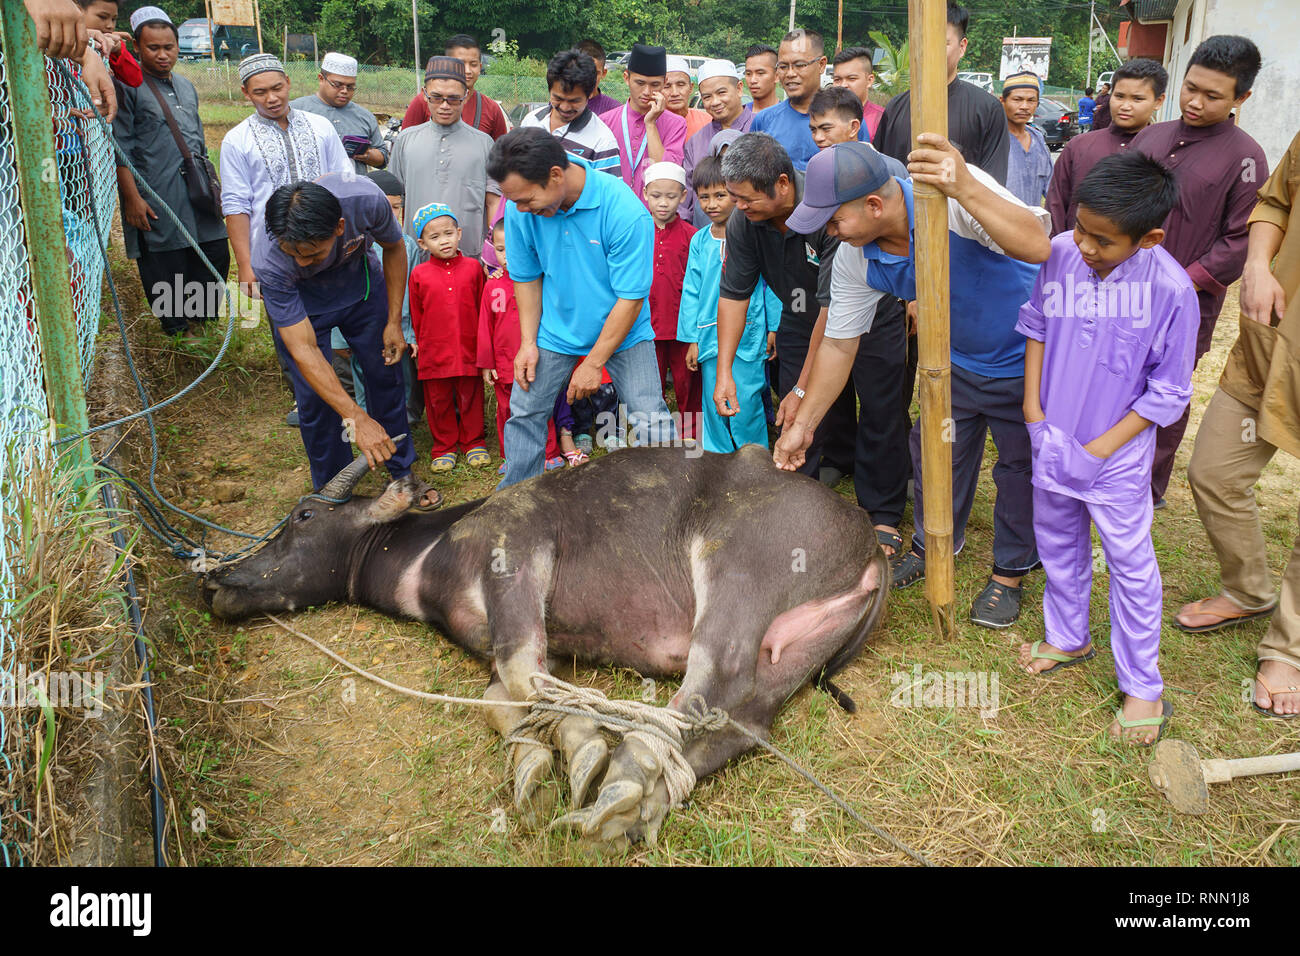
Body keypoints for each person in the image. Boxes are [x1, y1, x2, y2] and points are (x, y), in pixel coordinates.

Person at [772, 137, 1051, 626]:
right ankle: (931, 544)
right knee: (937, 452)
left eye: (834, 220)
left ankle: (1010, 571)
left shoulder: (950, 198)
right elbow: (840, 343)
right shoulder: (856, 256)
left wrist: (963, 186)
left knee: (1018, 468)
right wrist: (805, 425)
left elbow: (1036, 244)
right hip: (953, 363)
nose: (829, 233)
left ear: (875, 205)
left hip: (1023, 362)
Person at [1017, 152, 1196, 743]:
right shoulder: (1063, 254)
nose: (1086, 247)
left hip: (1114, 458)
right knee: (1057, 540)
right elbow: (1039, 323)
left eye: (1104, 241)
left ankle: (1143, 683)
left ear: (1148, 239)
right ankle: (1069, 635)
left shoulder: (1172, 290)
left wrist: (1099, 451)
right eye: (1081, 229)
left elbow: (1167, 392)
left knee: (1129, 562)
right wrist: (1034, 411)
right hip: (1052, 435)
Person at [716, 132, 908, 546]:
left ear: (783, 184)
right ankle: (799, 499)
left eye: (746, 198)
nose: (738, 206)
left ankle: (882, 512)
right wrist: (724, 371)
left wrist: (804, 386)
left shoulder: (831, 210)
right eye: (734, 197)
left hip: (868, 315)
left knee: (880, 409)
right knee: (798, 413)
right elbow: (734, 294)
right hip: (799, 318)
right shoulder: (745, 221)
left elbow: (831, 311)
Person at [1173, 126, 1300, 718]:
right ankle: (1248, 590)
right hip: (1271, 339)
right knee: (1214, 471)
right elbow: (1276, 199)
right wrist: (1255, 263)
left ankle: (1289, 648)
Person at [488, 128, 676, 486]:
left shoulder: (624, 211)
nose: (520, 210)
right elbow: (527, 278)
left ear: (556, 175)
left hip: (624, 331)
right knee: (525, 412)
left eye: (527, 200)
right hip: (556, 329)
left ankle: (670, 494)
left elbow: (631, 297)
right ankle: (515, 498)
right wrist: (528, 342)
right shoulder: (520, 209)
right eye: (514, 202)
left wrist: (593, 363)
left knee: (649, 415)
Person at [1132, 35, 1269, 508]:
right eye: (1191, 88)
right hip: (1121, 292)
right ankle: (1107, 471)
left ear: (1240, 98)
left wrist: (1175, 284)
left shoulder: (1246, 158)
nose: (1196, 101)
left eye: (1213, 96)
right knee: (1115, 380)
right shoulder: (1150, 137)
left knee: (1164, 394)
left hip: (1185, 305)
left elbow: (1239, 241)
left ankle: (1147, 489)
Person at [252, 176, 433, 506]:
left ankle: (402, 474)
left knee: (385, 375)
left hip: (363, 292)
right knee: (316, 400)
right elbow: (303, 348)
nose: (301, 263)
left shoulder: (366, 200)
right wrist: (357, 419)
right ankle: (335, 493)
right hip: (305, 309)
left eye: (311, 255)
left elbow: (393, 248)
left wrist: (394, 321)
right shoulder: (270, 261)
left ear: (339, 227)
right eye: (292, 254)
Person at [112, 6, 227, 339]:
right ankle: (177, 332)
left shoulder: (187, 86)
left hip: (198, 191)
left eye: (169, 47)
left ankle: (203, 325)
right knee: (166, 261)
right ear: (137, 46)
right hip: (157, 192)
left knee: (214, 253)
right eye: (153, 48)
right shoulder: (127, 86)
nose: (163, 55)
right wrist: (132, 198)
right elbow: (121, 147)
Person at [220, 53, 351, 301]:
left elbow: (344, 183)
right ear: (245, 93)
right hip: (272, 251)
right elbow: (235, 205)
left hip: (324, 246)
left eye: (277, 88)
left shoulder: (321, 127)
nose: (272, 98)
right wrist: (245, 266)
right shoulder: (237, 141)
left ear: (288, 82)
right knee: (287, 326)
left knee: (335, 321)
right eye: (260, 92)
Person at [679, 155, 781, 452]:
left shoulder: (755, 235)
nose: (712, 205)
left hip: (750, 333)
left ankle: (753, 456)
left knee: (748, 397)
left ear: (735, 194)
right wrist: (691, 339)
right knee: (713, 397)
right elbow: (691, 290)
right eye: (704, 197)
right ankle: (717, 456)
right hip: (709, 334)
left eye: (720, 195)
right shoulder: (700, 241)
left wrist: (773, 326)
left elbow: (773, 283)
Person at [872, 3, 1010, 186]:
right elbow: (881, 175)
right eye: (922, 41)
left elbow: (993, 188)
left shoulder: (987, 110)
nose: (929, 50)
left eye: (941, 43)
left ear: (962, 47)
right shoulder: (895, 108)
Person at [478, 221, 575, 473]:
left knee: (541, 406)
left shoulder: (539, 281)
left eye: (512, 250)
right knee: (506, 410)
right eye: (500, 250)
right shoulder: (492, 285)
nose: (507, 257)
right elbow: (484, 326)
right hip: (504, 363)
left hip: (537, 361)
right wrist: (487, 364)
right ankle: (511, 456)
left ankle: (549, 451)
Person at [407, 202, 489, 473]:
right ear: (422, 243)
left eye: (448, 233)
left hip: (468, 347)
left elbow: (482, 307)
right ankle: (444, 446)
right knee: (438, 400)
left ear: (459, 233)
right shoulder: (419, 274)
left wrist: (484, 346)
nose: (444, 241)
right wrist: (419, 343)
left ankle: (473, 441)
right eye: (435, 237)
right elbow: (417, 314)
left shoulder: (474, 268)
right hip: (435, 351)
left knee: (470, 395)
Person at [389, 56, 494, 260]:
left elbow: (493, 202)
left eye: (453, 99)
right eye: (436, 98)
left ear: (466, 95)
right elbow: (392, 201)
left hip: (469, 259)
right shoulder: (405, 141)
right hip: (418, 257)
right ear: (424, 95)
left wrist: (490, 254)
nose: (445, 106)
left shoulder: (484, 144)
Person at [1047, 58, 1167, 235]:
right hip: (1076, 255)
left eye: (1137, 99)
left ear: (1158, 101)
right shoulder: (1079, 147)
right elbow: (1056, 206)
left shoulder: (1165, 151)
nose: (1125, 106)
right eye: (1119, 96)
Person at [753, 28, 872, 172]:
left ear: (821, 64)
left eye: (800, 65)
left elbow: (863, 174)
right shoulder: (764, 120)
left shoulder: (848, 118)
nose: (790, 73)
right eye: (783, 66)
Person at [643, 161, 699, 440]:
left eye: (671, 196)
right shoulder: (637, 232)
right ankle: (657, 435)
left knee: (686, 382)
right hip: (646, 325)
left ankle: (691, 434)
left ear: (684, 196)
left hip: (683, 325)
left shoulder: (692, 236)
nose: (663, 203)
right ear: (645, 194)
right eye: (656, 196)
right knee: (650, 385)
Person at [599, 43, 687, 202]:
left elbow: (664, 175)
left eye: (655, 85)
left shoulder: (676, 124)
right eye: (640, 83)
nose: (647, 92)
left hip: (655, 218)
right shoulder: (605, 122)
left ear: (664, 81)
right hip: (613, 214)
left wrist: (651, 124)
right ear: (626, 78)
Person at [520, 49, 620, 173]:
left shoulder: (602, 141)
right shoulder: (531, 121)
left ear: (589, 95)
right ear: (549, 90)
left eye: (574, 101)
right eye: (558, 98)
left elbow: (608, 191)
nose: (565, 107)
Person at [290, 52, 388, 175]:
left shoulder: (365, 116)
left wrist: (365, 154)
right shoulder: (295, 110)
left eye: (350, 87)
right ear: (321, 79)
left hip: (352, 190)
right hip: (310, 191)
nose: (344, 91)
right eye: (337, 85)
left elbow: (383, 158)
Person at [682, 59, 753, 225]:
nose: (715, 102)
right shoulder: (696, 142)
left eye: (721, 93)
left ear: (739, 88)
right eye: (707, 97)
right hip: (705, 239)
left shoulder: (760, 128)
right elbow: (686, 197)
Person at [401, 33, 508, 139]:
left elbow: (502, 153)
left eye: (473, 64)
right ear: (446, 63)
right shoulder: (424, 101)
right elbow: (405, 144)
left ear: (480, 67)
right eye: (460, 64)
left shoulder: (492, 109)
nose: (467, 71)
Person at [1001, 72, 1053, 208]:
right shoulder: (994, 138)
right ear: (1003, 101)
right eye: (1017, 99)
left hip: (1032, 225)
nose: (1024, 106)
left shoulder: (1038, 139)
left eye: (1031, 100)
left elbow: (1051, 188)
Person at [78, 0, 140, 87]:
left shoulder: (108, 45)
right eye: (102, 17)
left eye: (113, 19)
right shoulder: (63, 40)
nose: (110, 25)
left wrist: (118, 50)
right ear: (78, 11)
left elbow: (135, 80)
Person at [831, 46, 884, 141]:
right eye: (837, 80)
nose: (843, 85)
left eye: (851, 78)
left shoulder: (882, 119)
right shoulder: (824, 116)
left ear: (869, 80)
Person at [664, 56, 711, 141]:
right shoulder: (651, 124)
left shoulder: (708, 122)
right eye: (667, 86)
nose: (675, 93)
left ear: (691, 88)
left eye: (681, 85)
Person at [808, 85, 864, 150]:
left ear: (853, 127)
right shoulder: (818, 159)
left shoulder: (872, 159)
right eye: (813, 130)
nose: (817, 138)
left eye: (826, 129)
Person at [577, 39, 622, 115]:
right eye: (583, 71)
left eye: (595, 73)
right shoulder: (560, 105)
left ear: (603, 73)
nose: (589, 78)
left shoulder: (614, 110)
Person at [744, 44, 780, 113]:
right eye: (748, 74)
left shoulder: (789, 117)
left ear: (777, 76)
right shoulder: (739, 116)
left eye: (760, 73)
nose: (753, 80)